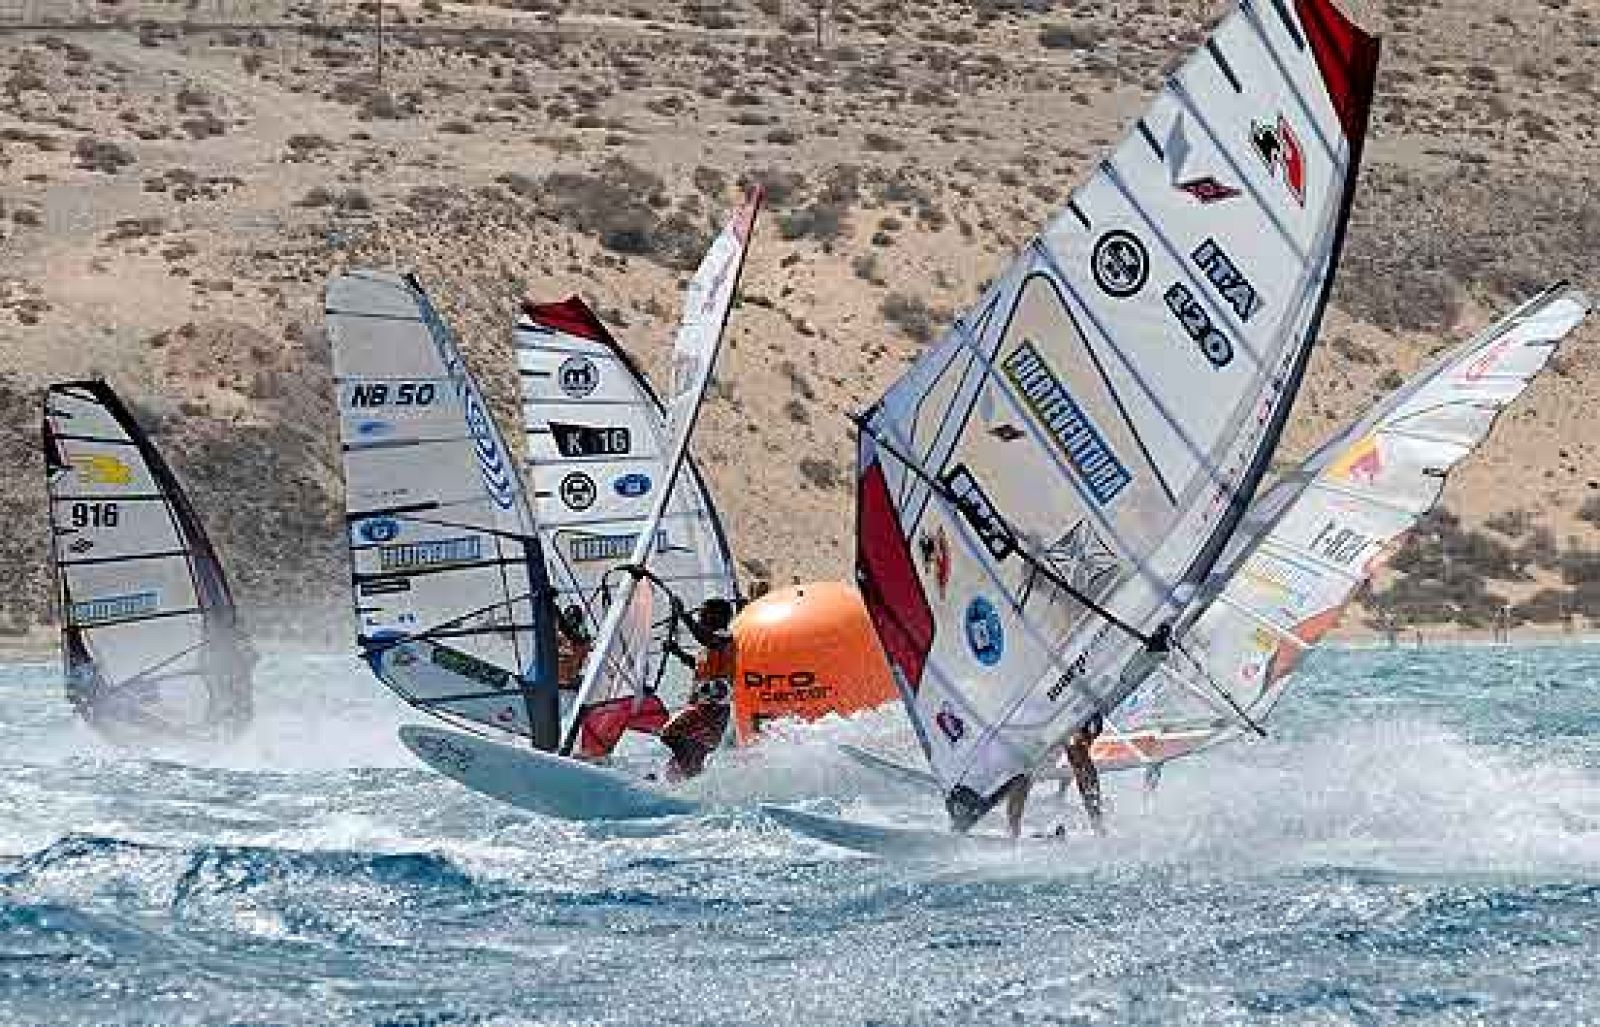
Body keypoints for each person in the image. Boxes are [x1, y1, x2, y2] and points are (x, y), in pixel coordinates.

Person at [656, 594, 737, 781]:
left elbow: (705, 638)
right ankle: (690, 778)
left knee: (670, 733)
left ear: (718, 617)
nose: (699, 617)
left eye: (703, 613)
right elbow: (699, 665)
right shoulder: (711, 646)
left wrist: (683, 614)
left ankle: (691, 771)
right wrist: (678, 652)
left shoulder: (724, 637)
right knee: (693, 748)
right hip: (704, 707)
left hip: (712, 709)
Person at [1002, 711, 1107, 839]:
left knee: (1079, 755)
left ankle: (1098, 824)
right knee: (1026, 764)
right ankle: (1013, 829)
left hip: (1071, 711)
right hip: (1042, 712)